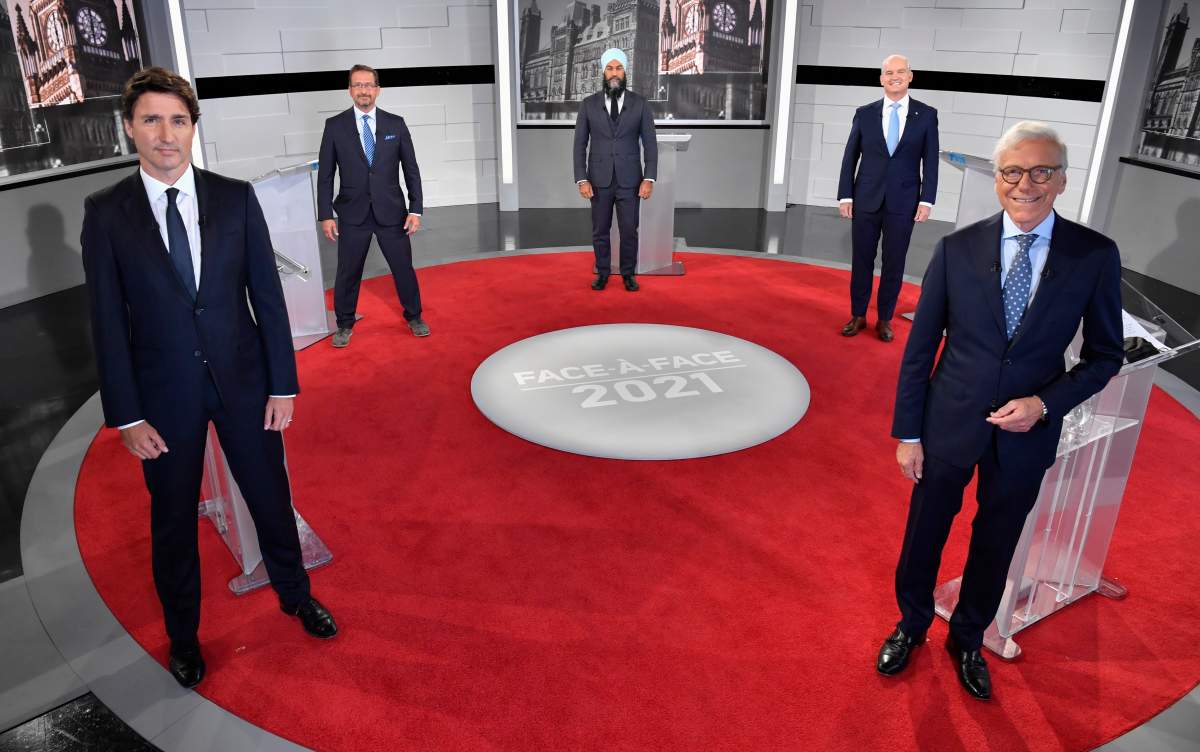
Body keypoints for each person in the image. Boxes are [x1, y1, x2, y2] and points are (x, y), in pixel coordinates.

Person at [81, 67, 338, 690]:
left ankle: (294, 593)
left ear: (193, 128)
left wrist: (283, 384)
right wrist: (127, 416)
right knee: (171, 518)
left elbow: (267, 297)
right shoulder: (106, 213)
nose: (165, 134)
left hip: (246, 382)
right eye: (151, 120)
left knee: (269, 496)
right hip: (162, 396)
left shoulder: (233, 198)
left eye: (177, 120)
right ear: (129, 129)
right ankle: (185, 635)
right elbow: (107, 323)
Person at [877, 121, 1124, 700]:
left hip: (1027, 434)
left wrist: (1044, 403)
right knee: (924, 533)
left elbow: (1105, 356)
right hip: (947, 423)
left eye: (1042, 171)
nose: (1026, 184)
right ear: (997, 181)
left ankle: (967, 639)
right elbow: (920, 353)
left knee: (997, 538)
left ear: (1062, 180)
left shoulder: (1094, 256)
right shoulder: (957, 250)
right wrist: (908, 433)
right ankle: (911, 625)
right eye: (1013, 172)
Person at [318, 64, 429, 347]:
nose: (363, 90)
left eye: (368, 85)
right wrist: (325, 214)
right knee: (348, 271)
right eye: (358, 85)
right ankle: (344, 323)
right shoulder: (335, 126)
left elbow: (411, 169)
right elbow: (326, 174)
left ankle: (414, 316)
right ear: (350, 90)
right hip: (352, 213)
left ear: (377, 90)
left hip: (391, 211)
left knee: (403, 267)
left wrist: (415, 208)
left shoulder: (396, 123)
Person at [837, 54, 939, 342]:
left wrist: (926, 200)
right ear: (881, 79)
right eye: (889, 72)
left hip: (904, 201)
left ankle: (884, 319)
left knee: (894, 262)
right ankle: (858, 315)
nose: (895, 76)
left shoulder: (927, 115)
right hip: (865, 197)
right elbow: (850, 157)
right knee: (862, 260)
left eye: (901, 71)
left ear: (910, 76)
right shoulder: (865, 113)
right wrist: (846, 195)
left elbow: (930, 161)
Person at [573, 47, 658, 292]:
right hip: (598, 179)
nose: (614, 73)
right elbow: (580, 144)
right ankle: (602, 272)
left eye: (618, 68)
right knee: (600, 230)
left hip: (630, 179)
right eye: (610, 68)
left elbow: (650, 143)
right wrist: (582, 179)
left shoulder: (640, 104)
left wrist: (649, 177)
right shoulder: (588, 105)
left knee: (629, 230)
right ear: (603, 71)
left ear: (625, 71)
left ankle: (628, 274)